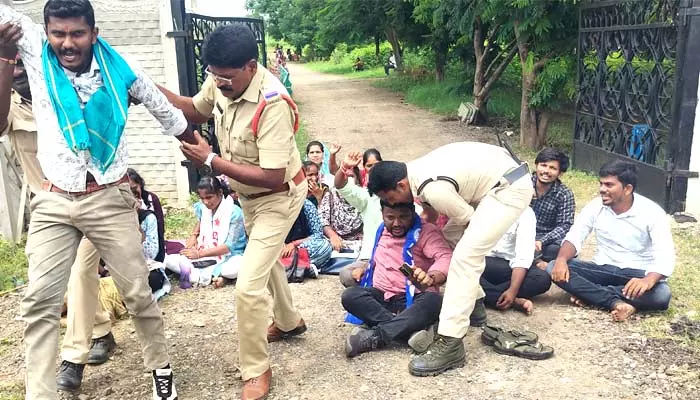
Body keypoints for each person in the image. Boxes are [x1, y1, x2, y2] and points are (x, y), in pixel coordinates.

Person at [0, 1, 194, 398]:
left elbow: (165, 110)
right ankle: (40, 394)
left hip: (108, 195)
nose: (66, 43)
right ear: (47, 31)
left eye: (76, 34)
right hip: (54, 200)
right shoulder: (35, 49)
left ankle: (161, 374)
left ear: (94, 33)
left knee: (138, 293)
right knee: (39, 303)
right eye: (59, 34)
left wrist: (196, 144)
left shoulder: (123, 70)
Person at [158, 24, 307, 399]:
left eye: (226, 78)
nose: (219, 84)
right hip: (249, 196)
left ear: (251, 66)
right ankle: (289, 322)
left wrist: (211, 160)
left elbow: (273, 177)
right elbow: (195, 107)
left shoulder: (273, 103)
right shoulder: (221, 76)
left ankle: (256, 371)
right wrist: (147, 89)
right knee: (266, 257)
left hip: (278, 196)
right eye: (214, 76)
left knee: (247, 286)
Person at [367, 141, 533, 377]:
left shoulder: (432, 188)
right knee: (449, 237)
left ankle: (451, 341)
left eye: (392, 198)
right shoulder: (412, 173)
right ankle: (474, 305)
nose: (393, 205)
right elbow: (432, 214)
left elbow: (468, 218)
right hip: (499, 177)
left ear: (401, 184)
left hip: (509, 187)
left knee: (465, 257)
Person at [543, 160, 674, 322]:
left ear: (627, 189)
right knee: (552, 266)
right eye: (601, 184)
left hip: (636, 274)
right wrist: (562, 259)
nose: (602, 190)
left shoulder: (652, 212)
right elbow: (575, 236)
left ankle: (592, 295)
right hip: (601, 269)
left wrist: (648, 280)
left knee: (661, 295)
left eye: (609, 185)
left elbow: (665, 255)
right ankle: (616, 302)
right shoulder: (595, 207)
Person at [341, 200, 452, 357]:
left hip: (414, 298)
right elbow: (380, 258)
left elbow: (445, 256)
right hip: (383, 296)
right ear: (383, 215)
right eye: (390, 217)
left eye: (403, 217)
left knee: (434, 302)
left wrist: (431, 277)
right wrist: (365, 269)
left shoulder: (426, 232)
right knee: (350, 295)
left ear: (413, 213)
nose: (397, 223)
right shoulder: (381, 230)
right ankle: (407, 330)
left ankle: (376, 337)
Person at [164, 175, 246, 287]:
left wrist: (199, 254)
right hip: (206, 251)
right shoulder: (202, 208)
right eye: (202, 198)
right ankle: (215, 276)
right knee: (168, 260)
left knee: (231, 270)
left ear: (220, 193)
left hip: (231, 255)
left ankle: (221, 276)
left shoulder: (234, 212)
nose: (205, 202)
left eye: (209, 197)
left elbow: (228, 246)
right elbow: (201, 221)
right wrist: (194, 236)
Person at [480, 207, 551, 315]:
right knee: (462, 268)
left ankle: (480, 293)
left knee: (541, 279)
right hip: (482, 262)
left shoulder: (525, 212)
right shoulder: (483, 205)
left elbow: (523, 257)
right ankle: (509, 300)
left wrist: (513, 290)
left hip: (509, 267)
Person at [335, 151, 383, 287]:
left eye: (377, 165)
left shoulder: (399, 196)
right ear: (365, 169)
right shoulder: (366, 198)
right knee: (346, 275)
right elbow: (341, 185)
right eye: (369, 166)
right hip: (369, 259)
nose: (374, 169)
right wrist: (344, 167)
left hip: (395, 259)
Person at [530, 148, 575, 266]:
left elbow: (565, 225)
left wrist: (541, 241)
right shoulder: (524, 184)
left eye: (552, 168)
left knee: (562, 250)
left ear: (560, 173)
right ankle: (538, 261)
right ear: (536, 166)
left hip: (546, 239)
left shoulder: (564, 194)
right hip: (521, 233)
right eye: (543, 165)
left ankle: (533, 258)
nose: (546, 171)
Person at [283, 197, 333, 271]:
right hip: (277, 248)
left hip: (300, 247)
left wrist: (293, 244)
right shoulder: (274, 205)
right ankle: (301, 268)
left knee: (324, 246)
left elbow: (317, 234)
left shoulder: (306, 205)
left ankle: (294, 267)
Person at [127, 168, 166, 261]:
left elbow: (160, 230)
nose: (132, 195)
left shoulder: (151, 201)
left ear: (140, 184)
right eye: (128, 192)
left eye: (134, 189)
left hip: (149, 253)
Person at [320, 182, 364, 252]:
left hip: (360, 243)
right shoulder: (332, 194)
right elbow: (323, 220)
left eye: (352, 176)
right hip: (335, 242)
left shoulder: (364, 195)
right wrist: (332, 236)